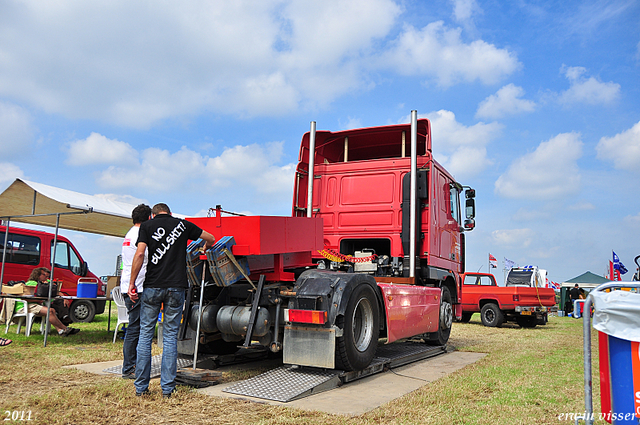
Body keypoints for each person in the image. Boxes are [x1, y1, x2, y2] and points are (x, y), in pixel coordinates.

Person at [128, 203, 214, 398]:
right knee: (169, 337)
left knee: (145, 335)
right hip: (177, 287)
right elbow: (211, 238)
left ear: (153, 215)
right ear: (171, 213)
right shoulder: (182, 225)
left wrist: (131, 283)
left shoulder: (146, 227)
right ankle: (167, 389)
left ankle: (141, 388)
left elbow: (140, 253)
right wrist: (205, 247)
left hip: (152, 286)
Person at [119, 204, 151, 380]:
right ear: (149, 218)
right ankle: (129, 367)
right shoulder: (140, 235)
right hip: (136, 288)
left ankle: (132, 365)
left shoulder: (129, 233)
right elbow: (141, 257)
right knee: (135, 328)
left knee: (135, 327)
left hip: (129, 286)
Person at [16, 267, 80, 336]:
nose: (46, 277)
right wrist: (40, 299)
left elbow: (55, 291)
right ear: (37, 275)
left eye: (47, 276)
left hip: (35, 304)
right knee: (49, 311)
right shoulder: (31, 283)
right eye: (44, 275)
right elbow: (26, 298)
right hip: (25, 306)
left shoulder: (45, 282)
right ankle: (65, 328)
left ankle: (61, 331)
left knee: (52, 310)